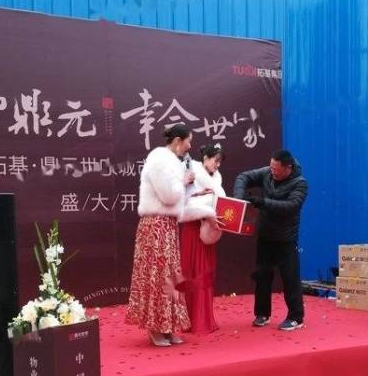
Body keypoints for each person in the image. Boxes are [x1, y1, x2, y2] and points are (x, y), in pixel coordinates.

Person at [125, 124, 193, 347]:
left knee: (170, 276)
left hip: (168, 226)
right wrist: (183, 181)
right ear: (178, 140)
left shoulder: (173, 161)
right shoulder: (158, 158)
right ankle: (155, 328)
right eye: (188, 141)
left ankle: (168, 325)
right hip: (155, 225)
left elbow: (177, 197)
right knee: (157, 275)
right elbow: (168, 195)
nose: (190, 146)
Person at [233, 149, 308, 331]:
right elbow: (243, 177)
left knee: (290, 278)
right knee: (262, 275)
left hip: (286, 238)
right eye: (271, 167)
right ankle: (262, 314)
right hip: (265, 235)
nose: (272, 171)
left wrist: (262, 202)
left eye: (276, 169)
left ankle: (296, 317)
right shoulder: (268, 172)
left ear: (288, 168)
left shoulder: (300, 183)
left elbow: (290, 206)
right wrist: (239, 199)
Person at [178, 143, 227, 333]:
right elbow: (183, 203)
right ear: (206, 158)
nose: (218, 165)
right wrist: (206, 210)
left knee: (205, 272)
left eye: (220, 162)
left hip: (208, 230)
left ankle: (203, 319)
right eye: (216, 160)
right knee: (193, 272)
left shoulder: (216, 177)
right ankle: (191, 320)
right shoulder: (190, 170)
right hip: (192, 229)